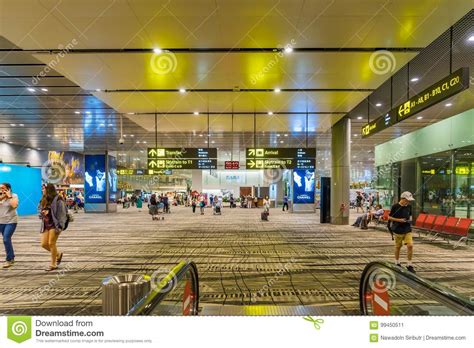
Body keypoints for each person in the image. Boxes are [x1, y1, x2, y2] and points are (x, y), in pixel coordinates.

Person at [39, 184, 67, 271]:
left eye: (44, 189)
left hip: (55, 224)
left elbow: (62, 214)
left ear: (49, 190)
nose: (42, 190)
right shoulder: (43, 199)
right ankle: (58, 254)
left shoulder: (58, 199)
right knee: (43, 244)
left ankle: (53, 264)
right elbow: (40, 211)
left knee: (51, 243)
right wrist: (42, 213)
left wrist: (60, 226)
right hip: (46, 224)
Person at [388, 191, 416, 273]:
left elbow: (410, 215)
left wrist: (410, 220)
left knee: (410, 245)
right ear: (402, 199)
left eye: (409, 200)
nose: (408, 202)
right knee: (398, 246)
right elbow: (389, 217)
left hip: (407, 228)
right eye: (407, 200)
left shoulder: (409, 206)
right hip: (398, 229)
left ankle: (409, 264)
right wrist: (399, 220)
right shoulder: (395, 206)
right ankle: (397, 262)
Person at [0, 183, 19, 269]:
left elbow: (14, 205)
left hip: (11, 221)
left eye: (3, 188)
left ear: (8, 189)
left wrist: (9, 196)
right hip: (1, 221)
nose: (1, 190)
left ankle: (10, 259)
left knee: (6, 238)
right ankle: (11, 256)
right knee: (6, 240)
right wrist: (3, 197)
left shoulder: (14, 195)